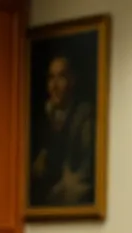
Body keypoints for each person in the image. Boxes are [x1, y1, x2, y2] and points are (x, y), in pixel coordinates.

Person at [29, 55, 94, 207]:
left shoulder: (84, 116)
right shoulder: (41, 116)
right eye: (51, 78)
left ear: (72, 80)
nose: (54, 86)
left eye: (61, 77)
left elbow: (82, 171)